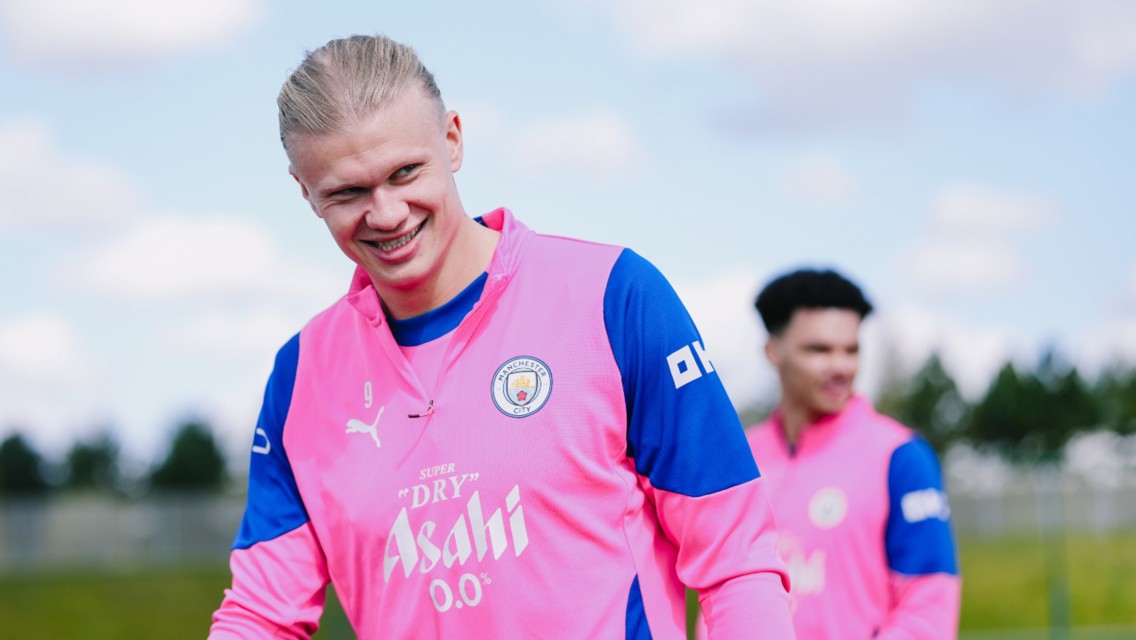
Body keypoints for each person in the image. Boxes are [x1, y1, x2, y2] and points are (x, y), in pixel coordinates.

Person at [209, 34, 793, 639]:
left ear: (453, 139)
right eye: (347, 192)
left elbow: (738, 561)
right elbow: (261, 614)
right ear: (305, 192)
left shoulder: (614, 296)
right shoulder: (301, 375)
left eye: (405, 173)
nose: (386, 214)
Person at [746, 268, 961, 638]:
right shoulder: (739, 458)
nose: (841, 367)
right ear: (774, 351)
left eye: (851, 350)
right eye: (819, 350)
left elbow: (929, 605)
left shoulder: (901, 456)